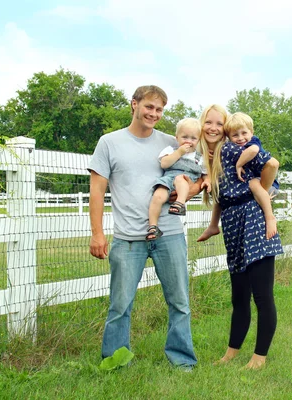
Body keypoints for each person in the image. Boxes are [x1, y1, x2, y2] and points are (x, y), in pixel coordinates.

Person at [88, 85, 198, 369]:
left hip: (169, 233)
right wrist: (97, 233)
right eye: (149, 107)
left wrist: (189, 190)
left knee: (179, 302)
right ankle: (115, 360)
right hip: (128, 238)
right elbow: (97, 191)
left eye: (160, 109)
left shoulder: (172, 141)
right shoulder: (109, 142)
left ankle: (182, 360)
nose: (154, 113)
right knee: (120, 305)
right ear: (134, 104)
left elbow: (193, 173)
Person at [197, 104, 283, 369]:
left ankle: (259, 357)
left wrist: (261, 194)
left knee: (262, 295)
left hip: (255, 223)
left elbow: (271, 163)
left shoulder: (235, 148)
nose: (213, 128)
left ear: (226, 127)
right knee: (239, 296)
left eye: (218, 123)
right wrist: (214, 224)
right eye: (207, 123)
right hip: (233, 225)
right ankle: (231, 352)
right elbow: (222, 197)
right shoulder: (211, 156)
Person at [201, 112, 278, 240]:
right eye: (235, 135)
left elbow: (256, 153)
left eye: (244, 133)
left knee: (253, 184)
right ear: (229, 137)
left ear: (251, 132)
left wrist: (239, 164)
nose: (240, 138)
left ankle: (270, 218)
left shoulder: (252, 143)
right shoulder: (232, 148)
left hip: (267, 183)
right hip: (258, 186)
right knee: (222, 188)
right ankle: (213, 225)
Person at [146, 117, 209, 241]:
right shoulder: (171, 150)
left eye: (193, 138)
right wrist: (178, 153)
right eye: (185, 137)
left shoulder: (199, 157)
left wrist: (206, 181)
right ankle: (153, 226)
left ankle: (179, 204)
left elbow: (205, 173)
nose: (188, 141)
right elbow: (164, 164)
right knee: (157, 196)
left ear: (198, 140)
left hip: (185, 179)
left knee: (181, 179)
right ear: (177, 137)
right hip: (168, 178)